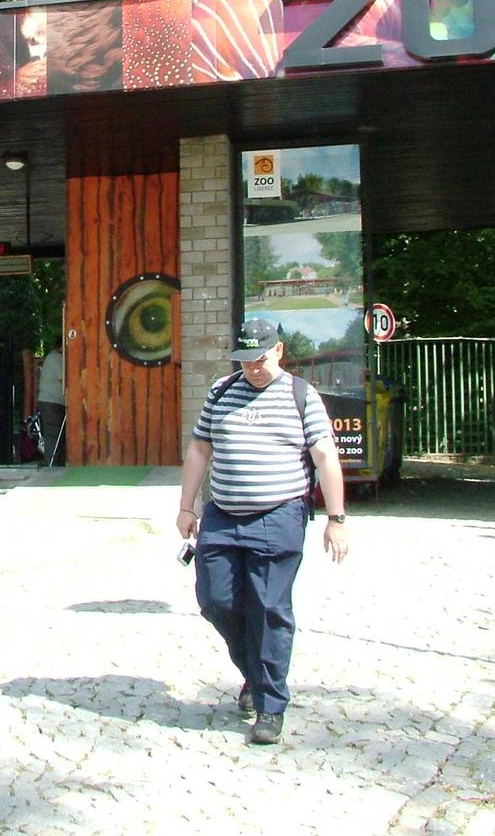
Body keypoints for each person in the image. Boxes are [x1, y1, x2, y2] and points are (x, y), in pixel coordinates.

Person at [176, 317, 349, 746]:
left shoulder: (300, 396)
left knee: (269, 609)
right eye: (244, 360)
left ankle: (270, 706)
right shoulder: (220, 391)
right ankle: (255, 674)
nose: (252, 367)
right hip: (222, 515)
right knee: (216, 600)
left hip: (278, 515)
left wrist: (337, 518)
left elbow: (325, 456)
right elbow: (200, 448)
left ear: (278, 351)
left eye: (259, 358)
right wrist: (186, 506)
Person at [37, 342, 66, 466]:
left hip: (52, 403)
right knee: (53, 436)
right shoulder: (56, 358)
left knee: (56, 436)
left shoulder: (53, 358)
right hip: (52, 403)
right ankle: (52, 465)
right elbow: (64, 378)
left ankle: (54, 464)